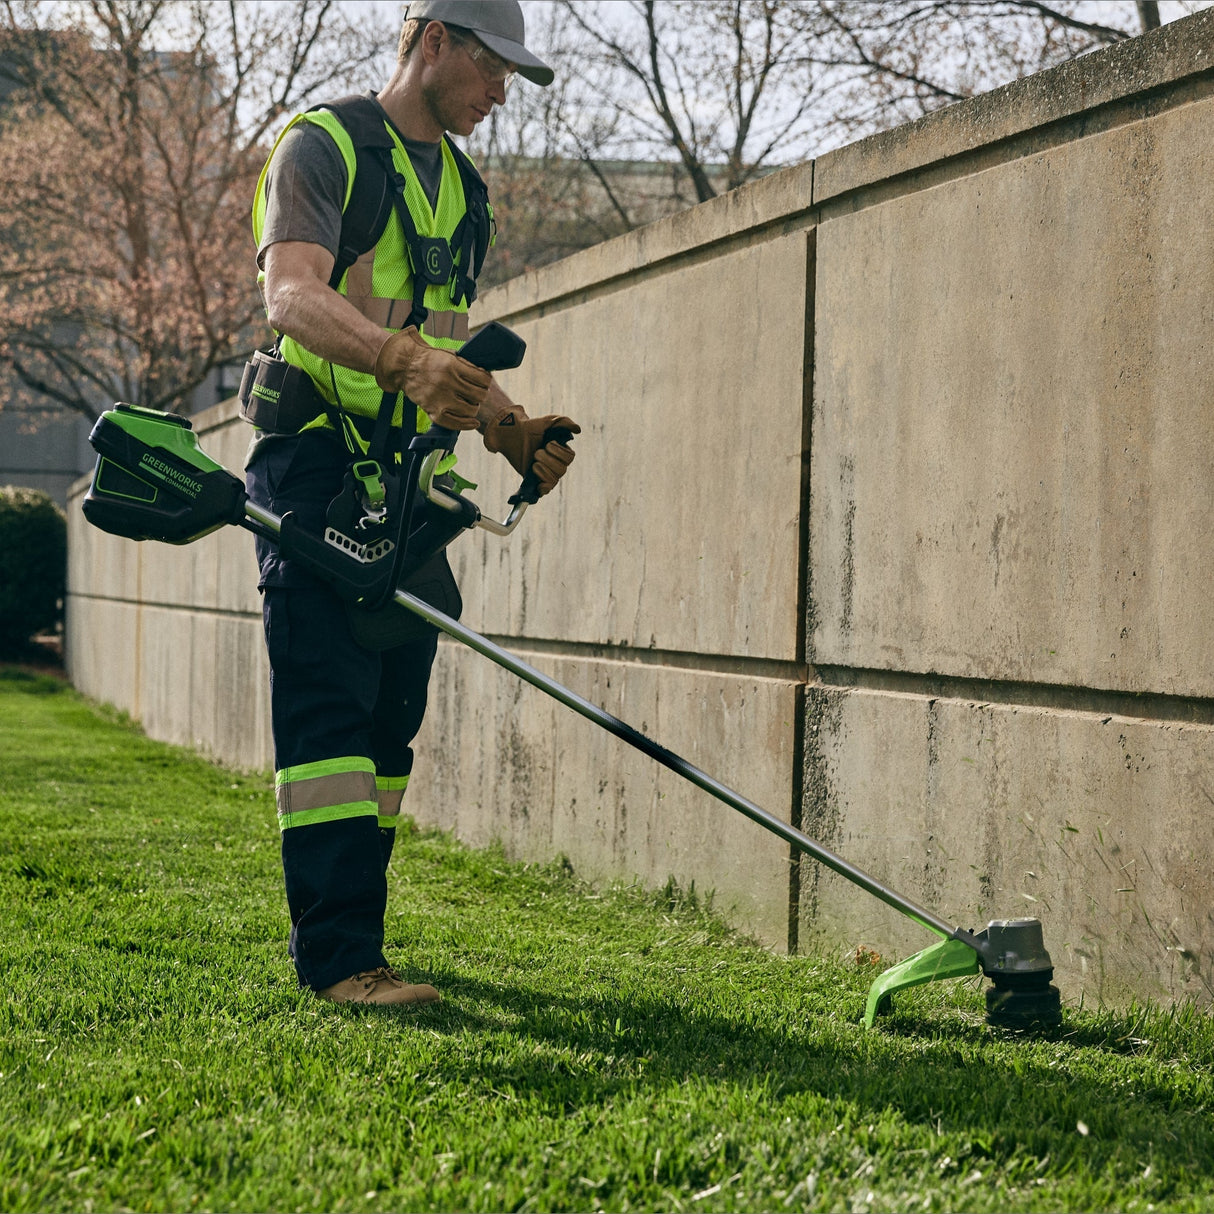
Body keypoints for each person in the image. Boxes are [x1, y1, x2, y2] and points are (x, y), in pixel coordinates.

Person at [244, 0, 579, 1006]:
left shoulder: (465, 194)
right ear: (434, 41)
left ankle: (360, 935)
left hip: (410, 487)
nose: (499, 92)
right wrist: (400, 362)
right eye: (490, 68)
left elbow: (444, 338)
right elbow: (291, 296)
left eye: (509, 77)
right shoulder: (326, 147)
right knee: (329, 720)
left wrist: (507, 425)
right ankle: (339, 959)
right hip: (314, 469)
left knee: (388, 727)